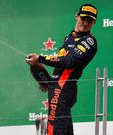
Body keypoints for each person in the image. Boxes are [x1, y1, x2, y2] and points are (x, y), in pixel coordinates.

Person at [26, 4, 97, 135]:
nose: (86, 23)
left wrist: (40, 58)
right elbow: (60, 67)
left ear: (94, 23)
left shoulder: (89, 41)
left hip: (63, 90)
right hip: (57, 88)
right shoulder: (68, 37)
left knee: (54, 132)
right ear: (77, 16)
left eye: (90, 21)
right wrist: (42, 75)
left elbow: (70, 62)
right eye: (83, 18)